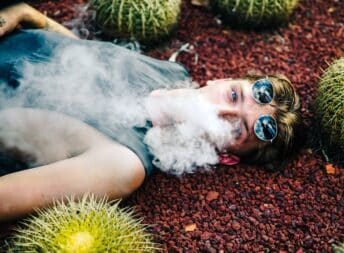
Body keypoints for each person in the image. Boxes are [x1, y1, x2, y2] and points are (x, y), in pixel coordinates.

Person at [0, 2, 301, 221]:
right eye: (233, 95)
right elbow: (91, 57)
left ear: (226, 156)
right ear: (220, 80)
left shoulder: (122, 165)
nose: (221, 110)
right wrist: (28, 15)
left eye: (237, 129)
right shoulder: (172, 74)